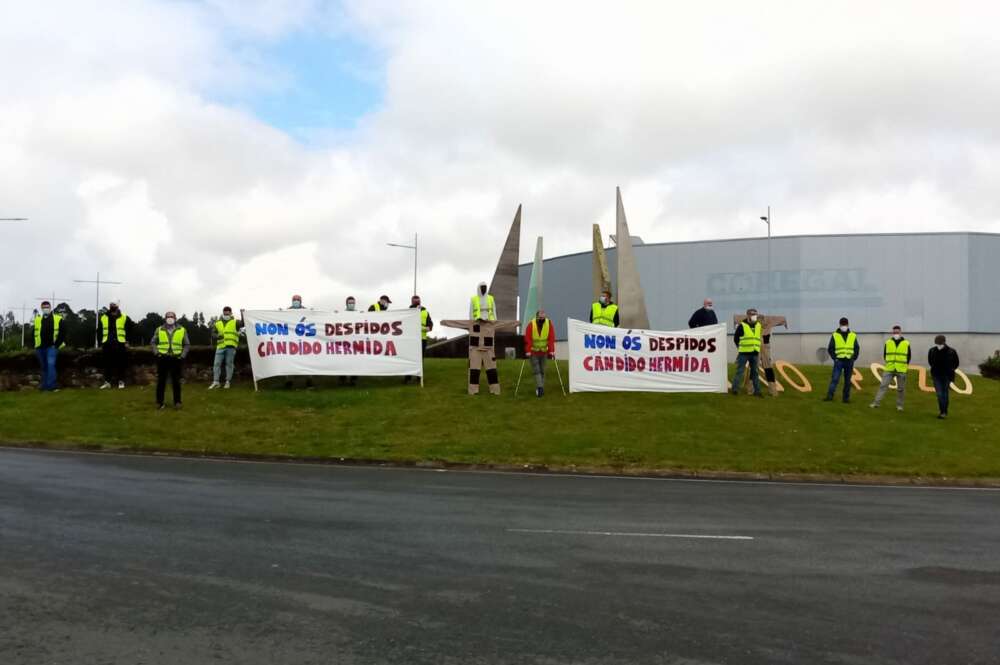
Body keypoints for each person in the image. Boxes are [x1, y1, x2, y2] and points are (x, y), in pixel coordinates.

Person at [151, 311, 189, 410]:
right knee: (161, 382)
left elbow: (187, 344)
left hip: (176, 358)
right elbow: (153, 342)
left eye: (171, 316)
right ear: (165, 318)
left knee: (176, 382)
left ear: (175, 318)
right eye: (168, 317)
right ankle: (160, 403)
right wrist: (157, 353)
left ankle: (177, 402)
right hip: (163, 358)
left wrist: (182, 356)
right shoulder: (159, 329)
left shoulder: (182, 329)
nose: (170, 318)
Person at [870, 325, 910, 411]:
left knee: (901, 389)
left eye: (897, 332)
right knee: (883, 386)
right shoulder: (888, 342)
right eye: (894, 332)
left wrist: (904, 365)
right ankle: (876, 403)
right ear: (892, 332)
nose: (896, 333)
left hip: (901, 369)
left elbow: (908, 356)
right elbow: (885, 355)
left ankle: (900, 406)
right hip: (889, 368)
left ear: (900, 332)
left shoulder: (906, 343)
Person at [99, 301, 134, 389]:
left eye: (114, 305)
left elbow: (131, 329)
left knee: (121, 363)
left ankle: (121, 381)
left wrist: (127, 341)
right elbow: (99, 330)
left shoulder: (124, 317)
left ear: (118, 306)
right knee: (107, 364)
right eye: (111, 304)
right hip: (107, 343)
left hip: (120, 343)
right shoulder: (103, 317)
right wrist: (100, 342)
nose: (112, 306)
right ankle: (107, 382)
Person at [824, 317, 860, 403]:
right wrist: (835, 358)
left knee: (848, 381)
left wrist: (853, 358)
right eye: (842, 324)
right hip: (839, 361)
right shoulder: (835, 335)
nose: (844, 326)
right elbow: (830, 348)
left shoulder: (853, 335)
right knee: (835, 379)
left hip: (849, 361)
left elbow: (856, 348)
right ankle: (829, 396)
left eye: (845, 324)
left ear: (848, 325)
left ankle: (846, 398)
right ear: (839, 325)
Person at [32, 301, 65, 392]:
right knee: (44, 367)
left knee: (50, 365)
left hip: (52, 347)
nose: (45, 308)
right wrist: (34, 345)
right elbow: (34, 333)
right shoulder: (37, 319)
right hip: (40, 347)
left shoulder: (58, 319)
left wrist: (57, 345)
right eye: (44, 307)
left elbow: (62, 333)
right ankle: (45, 386)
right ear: (41, 308)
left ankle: (52, 386)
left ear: (50, 308)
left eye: (47, 307)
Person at [730, 308, 763, 397]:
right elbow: (736, 339)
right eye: (752, 314)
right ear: (748, 315)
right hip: (744, 353)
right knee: (740, 371)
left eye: (756, 314)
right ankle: (735, 389)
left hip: (755, 353)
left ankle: (757, 391)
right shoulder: (742, 325)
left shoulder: (759, 325)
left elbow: (757, 338)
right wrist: (740, 347)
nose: (754, 316)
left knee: (755, 372)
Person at [523, 309, 556, 397]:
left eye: (544, 317)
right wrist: (528, 351)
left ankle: (540, 387)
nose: (542, 319)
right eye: (541, 317)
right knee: (537, 370)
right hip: (534, 352)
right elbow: (527, 339)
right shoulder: (531, 325)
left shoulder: (549, 324)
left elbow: (551, 338)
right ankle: (540, 388)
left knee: (542, 371)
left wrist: (551, 350)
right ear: (537, 317)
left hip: (544, 352)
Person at [209, 306, 241, 390]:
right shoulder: (217, 323)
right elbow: (213, 334)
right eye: (225, 312)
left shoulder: (235, 322)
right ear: (223, 313)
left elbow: (244, 323)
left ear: (231, 313)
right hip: (220, 346)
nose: (226, 313)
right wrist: (216, 336)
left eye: (228, 312)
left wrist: (242, 313)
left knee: (229, 364)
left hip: (231, 346)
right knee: (216, 364)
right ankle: (216, 382)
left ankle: (228, 382)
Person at [928, 335, 960, 419]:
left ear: (944, 342)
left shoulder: (951, 351)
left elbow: (956, 363)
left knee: (945, 393)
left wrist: (950, 370)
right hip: (936, 375)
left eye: (939, 343)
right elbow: (930, 361)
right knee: (939, 394)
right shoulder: (932, 351)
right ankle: (942, 411)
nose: (938, 345)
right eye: (937, 343)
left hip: (947, 375)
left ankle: (944, 411)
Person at [404, 295, 433, 384]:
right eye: (415, 301)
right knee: (409, 358)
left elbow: (430, 324)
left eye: (418, 301)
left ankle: (418, 377)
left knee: (420, 359)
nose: (417, 303)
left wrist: (427, 328)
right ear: (412, 302)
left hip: (422, 339)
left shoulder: (425, 312)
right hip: (411, 339)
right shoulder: (407, 312)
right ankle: (408, 377)